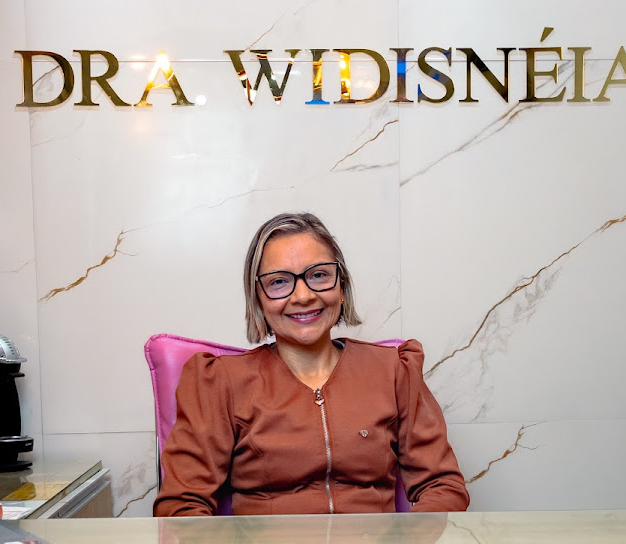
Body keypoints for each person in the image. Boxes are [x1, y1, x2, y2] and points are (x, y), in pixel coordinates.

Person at [153, 213, 469, 516]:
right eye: (279, 282)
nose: (303, 296)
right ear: (259, 300)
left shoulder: (394, 370)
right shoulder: (219, 382)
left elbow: (442, 486)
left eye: (318, 275)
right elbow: (181, 506)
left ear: (342, 287)